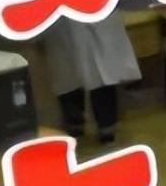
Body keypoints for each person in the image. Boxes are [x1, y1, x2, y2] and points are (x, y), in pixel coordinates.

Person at [44, 15, 141, 143]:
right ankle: (77, 127)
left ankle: (106, 129)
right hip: (61, 23)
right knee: (68, 76)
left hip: (94, 18)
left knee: (99, 75)